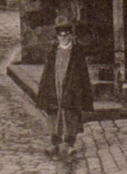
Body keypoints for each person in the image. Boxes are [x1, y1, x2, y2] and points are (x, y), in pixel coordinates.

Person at [36, 14, 93, 164]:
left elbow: (83, 74)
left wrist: (83, 93)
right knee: (54, 115)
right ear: (57, 37)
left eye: (66, 35)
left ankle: (69, 144)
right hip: (55, 86)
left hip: (71, 89)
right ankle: (54, 143)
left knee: (70, 115)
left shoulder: (77, 51)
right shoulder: (53, 51)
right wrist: (43, 91)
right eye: (60, 35)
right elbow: (47, 72)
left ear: (71, 35)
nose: (63, 38)